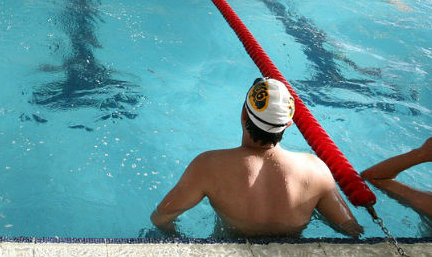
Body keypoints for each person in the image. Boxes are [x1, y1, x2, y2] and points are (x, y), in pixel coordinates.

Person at [150, 78, 363, 238]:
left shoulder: (209, 166)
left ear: (244, 113)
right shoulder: (315, 170)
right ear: (288, 124)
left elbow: (160, 218)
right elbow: (351, 230)